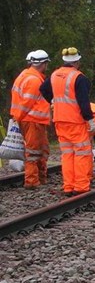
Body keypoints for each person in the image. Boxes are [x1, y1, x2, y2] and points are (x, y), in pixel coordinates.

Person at [40, 47, 95, 196]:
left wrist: (52, 101)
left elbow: (43, 89)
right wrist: (89, 119)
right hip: (75, 121)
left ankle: (68, 186)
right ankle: (81, 186)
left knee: (67, 154)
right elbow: (83, 101)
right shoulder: (79, 77)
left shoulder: (54, 75)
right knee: (81, 153)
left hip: (59, 120)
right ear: (77, 62)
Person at [10, 50, 51, 189]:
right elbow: (27, 102)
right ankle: (32, 181)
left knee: (42, 149)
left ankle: (40, 178)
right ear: (43, 64)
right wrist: (19, 117)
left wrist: (16, 118)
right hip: (33, 120)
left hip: (29, 119)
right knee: (34, 152)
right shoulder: (34, 80)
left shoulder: (24, 76)